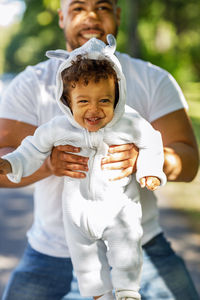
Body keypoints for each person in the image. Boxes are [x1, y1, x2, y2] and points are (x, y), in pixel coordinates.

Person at [0, 0, 199, 299]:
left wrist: (146, 162)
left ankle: (128, 287)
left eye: (102, 7)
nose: (91, 16)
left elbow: (188, 160)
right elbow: (16, 155)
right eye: (78, 7)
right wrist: (48, 164)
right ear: (61, 17)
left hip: (140, 240)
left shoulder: (153, 80)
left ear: (117, 15)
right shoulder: (31, 85)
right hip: (51, 249)